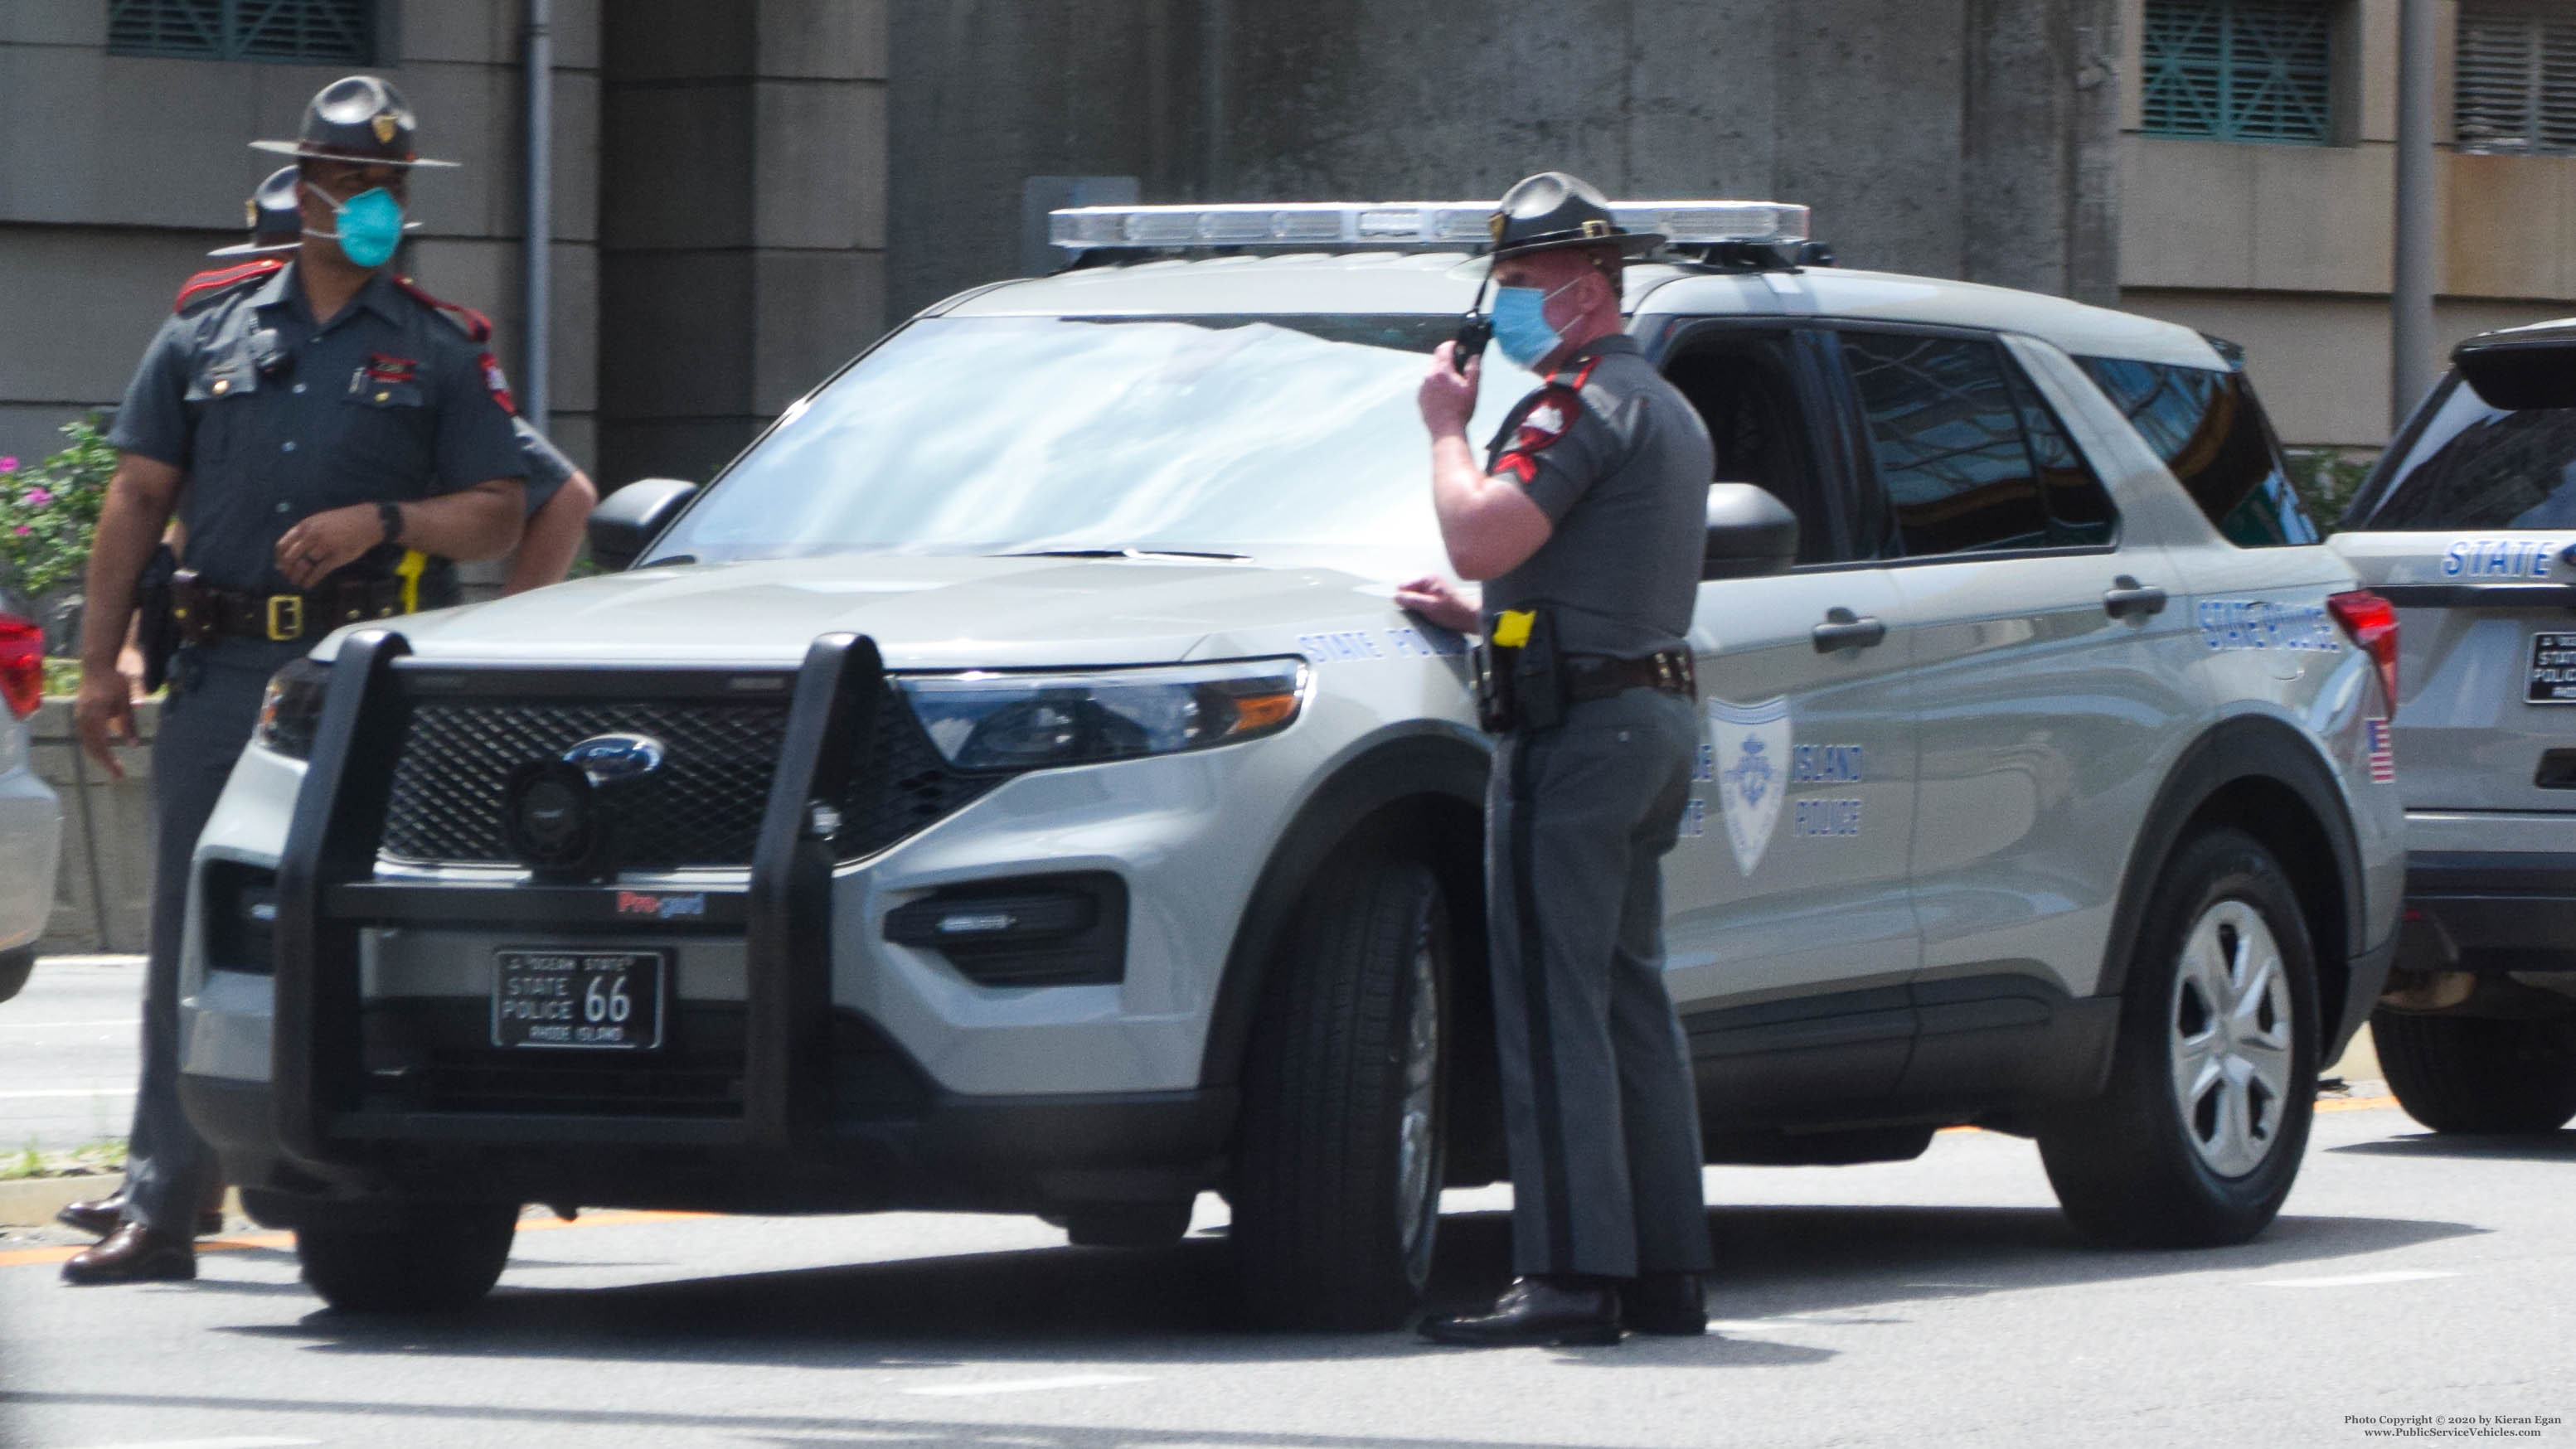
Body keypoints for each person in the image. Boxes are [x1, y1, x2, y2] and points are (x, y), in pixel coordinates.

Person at [56, 158, 594, 1248]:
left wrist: (392, 529)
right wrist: (101, 659)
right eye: (350, 183)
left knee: (359, 925)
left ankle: (364, 1173)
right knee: (190, 929)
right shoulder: (209, 332)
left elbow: (519, 504)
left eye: (388, 183)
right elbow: (139, 494)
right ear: (300, 201)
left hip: (363, 685)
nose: (372, 204)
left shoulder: (441, 346)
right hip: (220, 670)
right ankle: (165, 1198)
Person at [1401, 172, 1716, 1347]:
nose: (1504, 312)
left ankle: (1573, 1277)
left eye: (1523, 286)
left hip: (1576, 739)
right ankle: (1667, 1272)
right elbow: (1599, 583)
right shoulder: (1663, 407)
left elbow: (1485, 531)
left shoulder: (1571, 408)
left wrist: (1443, 428)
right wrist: (1484, 623)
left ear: (1586, 291)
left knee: (1551, 1001)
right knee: (1630, 996)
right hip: (1644, 719)